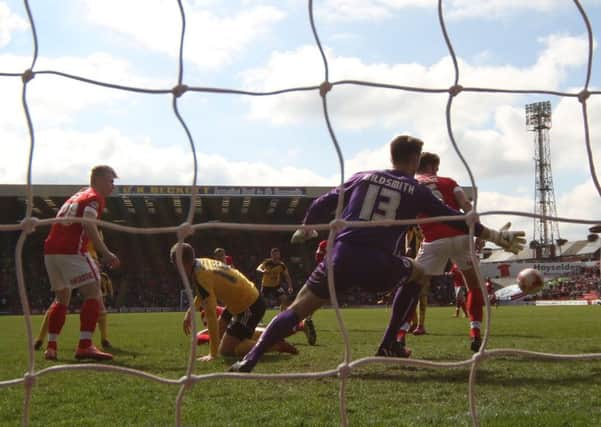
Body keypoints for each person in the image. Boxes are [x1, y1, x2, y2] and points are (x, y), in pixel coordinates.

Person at [230, 135, 525, 373]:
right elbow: (458, 219)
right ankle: (388, 343)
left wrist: (307, 227)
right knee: (418, 274)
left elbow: (323, 201)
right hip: (378, 263)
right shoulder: (416, 190)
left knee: (298, 308)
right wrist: (496, 235)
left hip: (340, 256)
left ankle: (250, 360)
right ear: (413, 160)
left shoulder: (363, 176)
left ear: (391, 157)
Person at [411, 152, 492, 351]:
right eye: (436, 167)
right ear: (431, 167)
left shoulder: (411, 184)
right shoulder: (448, 181)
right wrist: (478, 232)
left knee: (412, 286)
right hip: (461, 236)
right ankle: (475, 332)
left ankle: (400, 334)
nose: (437, 171)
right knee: (473, 286)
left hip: (433, 239)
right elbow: (467, 206)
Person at [42, 165, 120, 361]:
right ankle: (85, 345)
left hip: (51, 251)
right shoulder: (95, 197)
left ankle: (51, 347)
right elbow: (88, 224)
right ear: (98, 179)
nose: (113, 186)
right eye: (111, 181)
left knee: (62, 298)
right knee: (93, 293)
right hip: (72, 250)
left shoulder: (79, 195)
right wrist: (106, 253)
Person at [172, 243, 297, 361]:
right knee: (221, 333)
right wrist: (190, 312)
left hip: (248, 305)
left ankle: (275, 345)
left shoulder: (201, 275)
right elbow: (202, 293)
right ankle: (274, 335)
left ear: (181, 263)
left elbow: (210, 314)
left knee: (227, 350)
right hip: (241, 300)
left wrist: (213, 353)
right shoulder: (200, 263)